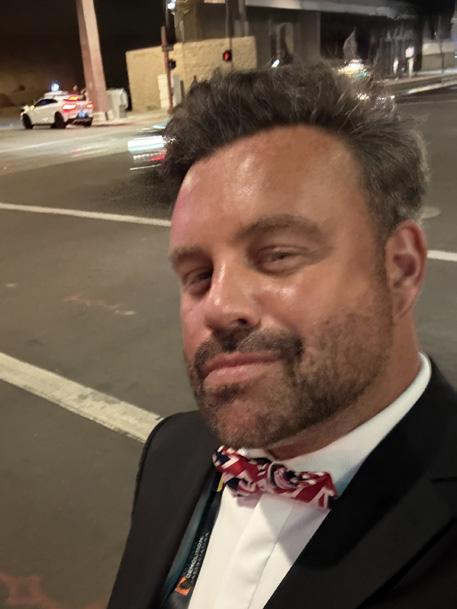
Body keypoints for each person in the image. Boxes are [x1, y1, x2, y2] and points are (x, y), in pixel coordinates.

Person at [107, 63, 457, 609]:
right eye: (198, 274)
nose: (218, 306)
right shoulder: (172, 453)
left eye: (276, 255)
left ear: (401, 270)